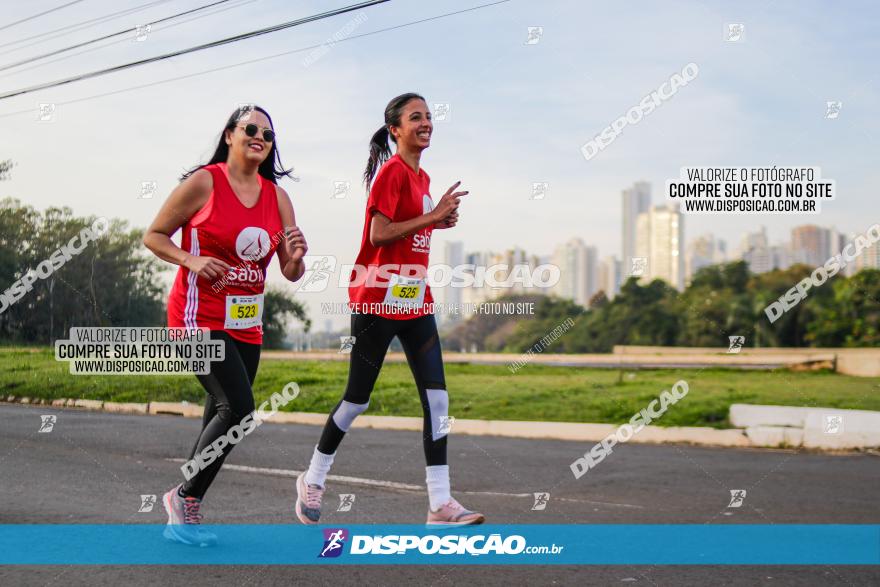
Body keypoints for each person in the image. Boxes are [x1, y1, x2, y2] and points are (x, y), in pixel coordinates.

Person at [295, 93, 484, 526]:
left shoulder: (423, 178)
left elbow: (414, 229)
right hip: (377, 298)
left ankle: (440, 503)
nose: (426, 123)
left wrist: (437, 219)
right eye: (415, 117)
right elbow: (380, 234)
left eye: (430, 116)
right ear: (395, 129)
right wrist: (432, 216)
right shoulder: (392, 173)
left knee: (438, 399)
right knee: (357, 400)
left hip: (415, 299)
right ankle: (313, 478)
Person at [143, 104, 307, 545]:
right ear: (230, 134)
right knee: (239, 410)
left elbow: (291, 272)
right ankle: (183, 497)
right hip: (196, 317)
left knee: (220, 412)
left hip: (246, 323)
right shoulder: (204, 182)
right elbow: (154, 235)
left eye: (268, 134)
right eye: (250, 129)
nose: (260, 137)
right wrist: (190, 259)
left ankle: (183, 517)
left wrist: (295, 257)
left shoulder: (277, 198)